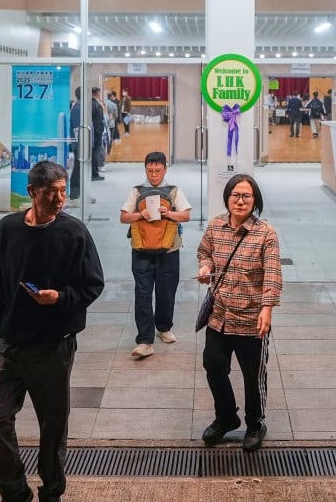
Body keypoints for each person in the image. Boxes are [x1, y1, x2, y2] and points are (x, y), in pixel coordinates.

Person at [0, 160, 106, 502]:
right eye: (51, 192)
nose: (60, 199)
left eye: (63, 191)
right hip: (10, 344)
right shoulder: (8, 228)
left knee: (53, 427)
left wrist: (60, 298)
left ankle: (51, 492)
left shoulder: (74, 233)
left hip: (53, 348)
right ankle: (14, 491)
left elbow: (93, 284)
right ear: (32, 192)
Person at [197, 174, 282, 452]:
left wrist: (267, 309)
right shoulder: (215, 226)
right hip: (219, 317)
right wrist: (206, 267)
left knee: (252, 376)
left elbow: (272, 275)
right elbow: (204, 252)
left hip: (250, 321)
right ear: (227, 198)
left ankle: (255, 424)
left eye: (246, 196)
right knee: (213, 365)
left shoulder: (265, 233)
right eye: (235, 195)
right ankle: (226, 417)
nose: (240, 201)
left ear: (255, 200)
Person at [120, 151, 193, 359]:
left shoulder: (174, 191)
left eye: (157, 170)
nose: (153, 175)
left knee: (166, 291)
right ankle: (145, 340)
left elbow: (186, 215)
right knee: (142, 294)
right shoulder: (136, 191)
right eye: (150, 170)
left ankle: (163, 327)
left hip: (169, 251)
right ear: (145, 169)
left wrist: (167, 213)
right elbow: (124, 217)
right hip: (141, 251)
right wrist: (139, 215)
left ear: (165, 170)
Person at [90, 87, 107, 180]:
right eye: (99, 93)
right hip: (96, 132)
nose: (100, 94)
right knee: (95, 153)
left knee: (96, 152)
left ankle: (95, 172)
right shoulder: (94, 104)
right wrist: (98, 130)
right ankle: (94, 173)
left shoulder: (96, 103)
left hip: (97, 131)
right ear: (96, 93)